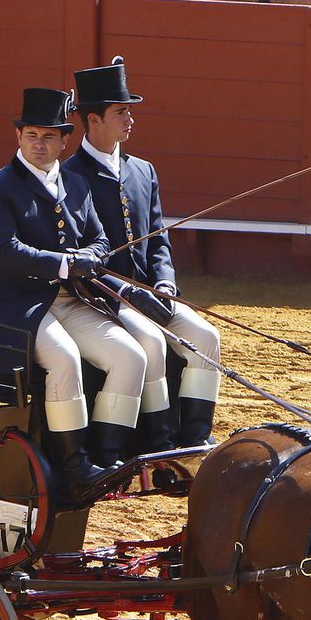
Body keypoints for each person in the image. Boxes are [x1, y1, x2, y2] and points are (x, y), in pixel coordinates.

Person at [0, 87, 148, 500]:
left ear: (64, 140)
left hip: (70, 300)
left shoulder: (76, 182)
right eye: (32, 134)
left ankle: (108, 456)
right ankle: (72, 467)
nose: (39, 144)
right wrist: (67, 263)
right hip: (19, 305)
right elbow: (5, 251)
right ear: (18, 137)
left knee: (130, 356)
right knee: (65, 359)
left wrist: (87, 256)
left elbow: (101, 241)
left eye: (49, 136)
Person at [64, 57, 223, 449]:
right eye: (121, 112)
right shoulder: (70, 176)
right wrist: (129, 293)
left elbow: (158, 238)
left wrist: (165, 281)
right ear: (94, 120)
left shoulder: (144, 170)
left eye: (130, 112)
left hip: (154, 293)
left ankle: (195, 438)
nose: (131, 119)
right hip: (104, 299)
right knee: (151, 341)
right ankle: (160, 440)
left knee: (207, 336)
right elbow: (82, 257)